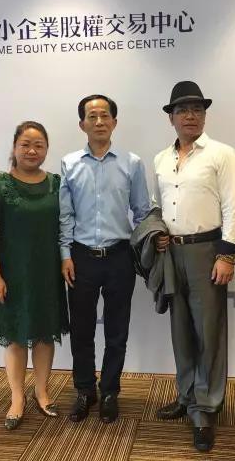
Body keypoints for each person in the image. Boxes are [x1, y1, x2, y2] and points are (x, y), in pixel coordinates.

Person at [153, 81, 235, 452]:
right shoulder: (161, 159)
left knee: (208, 332)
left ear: (204, 115)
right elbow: (157, 205)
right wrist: (157, 233)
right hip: (172, 253)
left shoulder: (221, 154)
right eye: (182, 110)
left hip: (208, 251)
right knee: (181, 331)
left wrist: (227, 255)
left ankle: (205, 408)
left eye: (197, 109)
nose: (190, 116)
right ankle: (186, 395)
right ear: (171, 118)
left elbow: (232, 207)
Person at [59, 94, 151, 424]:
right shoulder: (69, 163)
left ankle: (110, 391)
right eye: (92, 116)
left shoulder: (132, 163)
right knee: (81, 331)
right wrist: (65, 255)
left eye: (104, 115)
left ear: (114, 121)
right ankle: (85, 391)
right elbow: (66, 215)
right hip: (81, 258)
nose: (99, 121)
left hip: (119, 258)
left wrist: (145, 250)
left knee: (116, 331)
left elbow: (142, 211)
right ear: (82, 124)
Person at [0, 121, 69, 430]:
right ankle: (17, 397)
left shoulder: (57, 183)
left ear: (46, 149)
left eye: (38, 145)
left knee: (44, 335)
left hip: (48, 273)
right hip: (12, 274)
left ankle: (42, 392)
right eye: (25, 145)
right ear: (15, 148)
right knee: (16, 338)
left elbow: (66, 228)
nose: (32, 151)